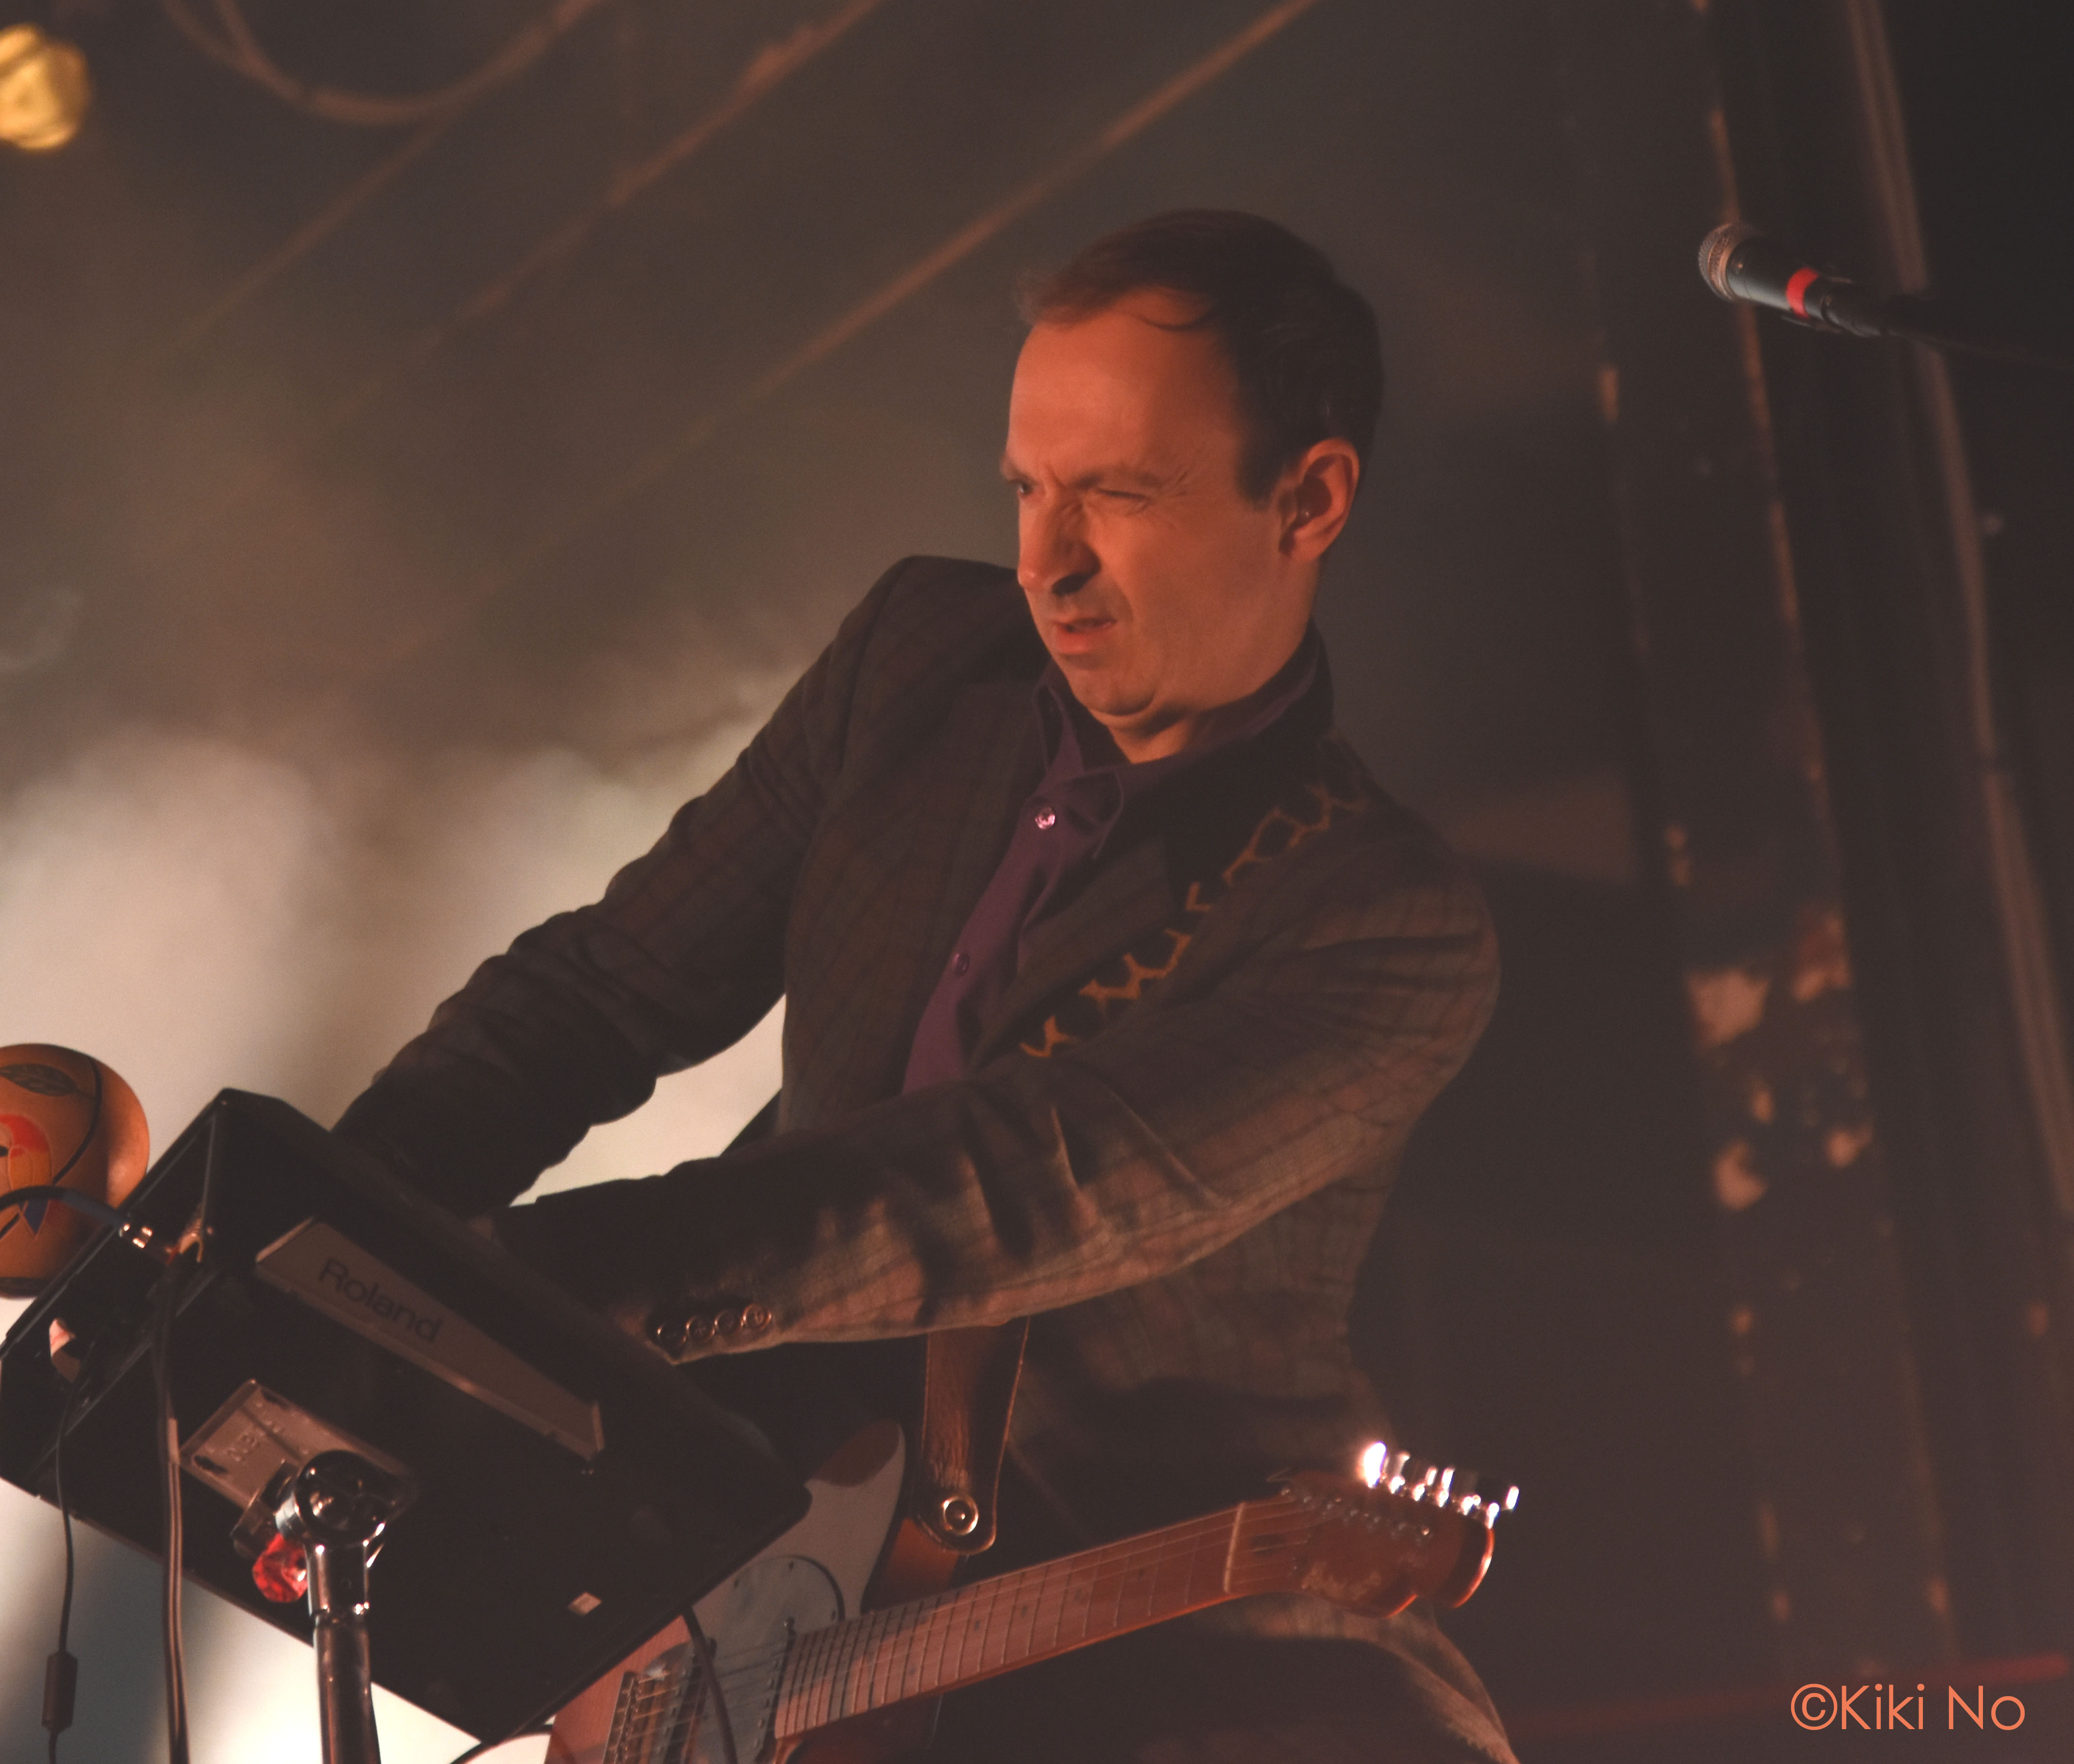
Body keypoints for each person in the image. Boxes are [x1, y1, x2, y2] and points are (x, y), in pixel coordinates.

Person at [334, 209, 1515, 1761]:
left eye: (1117, 495)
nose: (1047, 562)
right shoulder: (921, 655)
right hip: (772, 1576)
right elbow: (605, 987)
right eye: (1027, 488)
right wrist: (331, 1230)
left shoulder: (1390, 925)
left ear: (1309, 499)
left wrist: (504, 1297)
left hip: (1170, 1624)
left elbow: (1003, 1190)